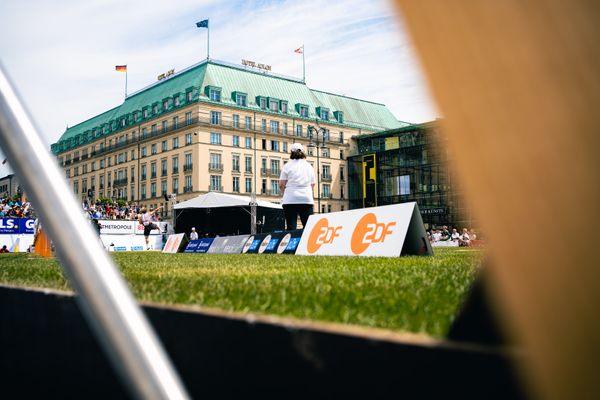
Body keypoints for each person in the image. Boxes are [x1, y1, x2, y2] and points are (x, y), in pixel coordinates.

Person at [279, 143, 316, 230]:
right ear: (303, 152)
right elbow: (313, 184)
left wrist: (286, 193)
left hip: (290, 199)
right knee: (308, 228)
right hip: (306, 199)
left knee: (291, 227)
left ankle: (293, 243)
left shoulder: (287, 166)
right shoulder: (309, 166)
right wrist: (306, 191)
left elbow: (281, 184)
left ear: (291, 152)